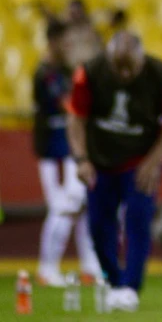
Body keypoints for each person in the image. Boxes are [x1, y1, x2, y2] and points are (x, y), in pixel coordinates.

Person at [66, 31, 162, 312]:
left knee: (137, 222)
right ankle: (114, 280)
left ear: (141, 59)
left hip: (140, 162)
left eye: (129, 66)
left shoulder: (161, 75)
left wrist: (154, 160)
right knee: (98, 227)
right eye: (117, 66)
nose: (123, 72)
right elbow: (75, 119)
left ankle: (131, 287)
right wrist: (81, 159)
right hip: (100, 161)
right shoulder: (89, 72)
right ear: (108, 58)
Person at [33, 20, 102, 287]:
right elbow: (67, 104)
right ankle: (47, 269)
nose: (69, 47)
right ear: (53, 42)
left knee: (83, 205)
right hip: (54, 152)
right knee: (62, 208)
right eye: (65, 42)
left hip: (72, 149)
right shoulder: (45, 73)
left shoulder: (64, 71)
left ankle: (89, 267)